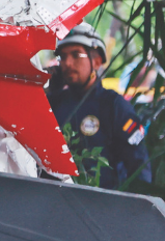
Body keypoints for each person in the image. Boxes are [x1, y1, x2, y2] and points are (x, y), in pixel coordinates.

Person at [48, 23, 153, 189]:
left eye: (76, 55)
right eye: (63, 57)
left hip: (104, 207)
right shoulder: (53, 103)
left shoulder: (114, 106)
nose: (67, 63)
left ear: (97, 62)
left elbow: (139, 168)